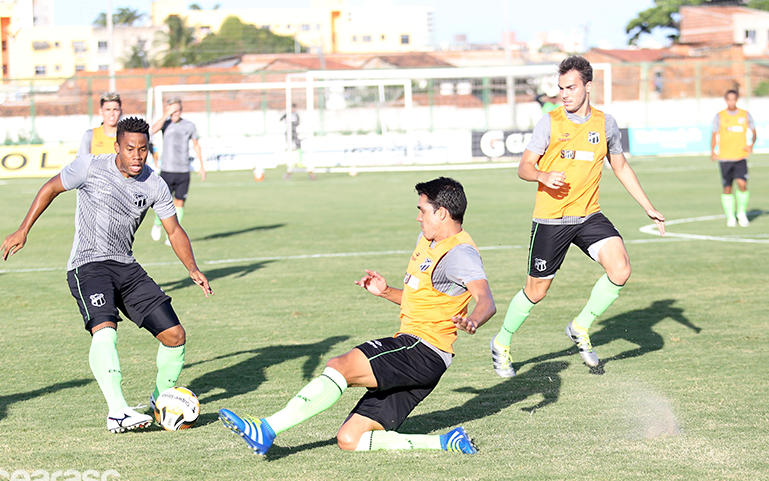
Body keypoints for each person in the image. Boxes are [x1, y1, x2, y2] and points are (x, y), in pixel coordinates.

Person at [219, 177, 496, 455]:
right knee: (350, 439)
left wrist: (474, 319)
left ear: (442, 213)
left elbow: (486, 300)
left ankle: (266, 428)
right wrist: (385, 291)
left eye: (422, 210)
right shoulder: (428, 241)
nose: (417, 217)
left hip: (421, 350)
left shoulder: (460, 253)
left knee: (341, 366)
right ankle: (447, 442)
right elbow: (424, 300)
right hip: (425, 357)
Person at [0, 117, 214, 433]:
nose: (138, 156)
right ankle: (118, 411)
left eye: (143, 149)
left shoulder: (155, 184)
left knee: (175, 336)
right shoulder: (89, 167)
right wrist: (23, 229)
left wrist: (192, 268)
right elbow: (51, 188)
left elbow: (173, 228)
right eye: (130, 149)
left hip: (126, 267)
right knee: (105, 330)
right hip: (88, 265)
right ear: (117, 147)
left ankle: (158, 401)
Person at [489, 55, 665, 378]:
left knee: (621, 269)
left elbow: (621, 166)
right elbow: (524, 167)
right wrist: (542, 176)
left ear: (587, 86)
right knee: (537, 291)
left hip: (587, 216)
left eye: (571, 87)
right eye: (560, 88)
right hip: (551, 219)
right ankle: (501, 342)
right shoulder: (550, 122)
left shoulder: (605, 124)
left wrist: (647, 206)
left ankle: (579, 326)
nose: (564, 94)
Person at [150, 98, 206, 245]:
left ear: (181, 110)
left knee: (179, 203)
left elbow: (196, 145)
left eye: (177, 110)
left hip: (183, 171)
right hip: (167, 170)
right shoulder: (165, 124)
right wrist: (166, 114)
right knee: (162, 203)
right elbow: (153, 129)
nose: (174, 113)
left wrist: (201, 165)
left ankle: (172, 235)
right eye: (171, 110)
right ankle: (157, 223)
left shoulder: (189, 125)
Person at [711, 89, 756, 227]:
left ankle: (741, 213)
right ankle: (730, 216)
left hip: (740, 157)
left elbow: (754, 132)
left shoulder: (745, 115)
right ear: (726, 100)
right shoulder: (720, 116)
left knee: (742, 185)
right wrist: (713, 151)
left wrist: (751, 144)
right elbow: (713, 135)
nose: (731, 102)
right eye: (729, 99)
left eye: (733, 99)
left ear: (737, 100)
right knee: (727, 188)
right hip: (725, 158)